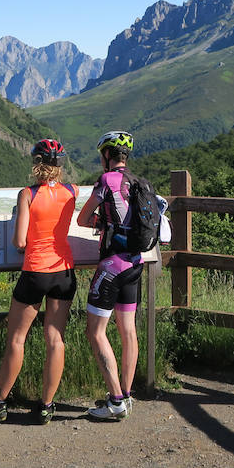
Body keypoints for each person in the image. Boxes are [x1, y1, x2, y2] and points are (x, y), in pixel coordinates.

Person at [0, 139, 77, 425]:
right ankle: (47, 406)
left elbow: (19, 241)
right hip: (64, 271)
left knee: (17, 339)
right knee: (56, 339)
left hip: (35, 271)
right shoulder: (72, 192)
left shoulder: (27, 194)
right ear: (60, 164)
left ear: (36, 162)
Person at [77, 129, 143, 420]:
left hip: (112, 265)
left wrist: (99, 220)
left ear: (106, 155)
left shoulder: (106, 180)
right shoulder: (139, 182)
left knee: (95, 331)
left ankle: (115, 401)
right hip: (135, 263)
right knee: (127, 330)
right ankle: (126, 396)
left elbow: (81, 218)